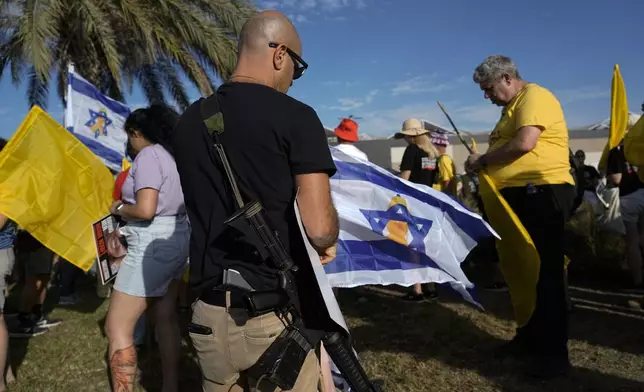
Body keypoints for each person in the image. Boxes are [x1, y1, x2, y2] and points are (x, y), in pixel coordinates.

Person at [171, 10, 339, 392]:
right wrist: (329, 240)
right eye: (297, 68)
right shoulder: (297, 117)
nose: (294, 79)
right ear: (280, 54)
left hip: (207, 317)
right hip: (273, 318)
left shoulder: (187, 122)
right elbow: (319, 229)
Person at [466, 55, 576, 378]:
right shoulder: (509, 112)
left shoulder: (535, 97)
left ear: (507, 78)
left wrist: (484, 160)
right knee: (522, 270)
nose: (486, 96)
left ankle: (555, 356)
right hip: (519, 196)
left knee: (547, 272)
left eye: (488, 88)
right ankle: (530, 337)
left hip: (543, 192)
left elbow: (525, 143)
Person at [104, 105, 190, 392]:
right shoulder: (174, 156)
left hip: (151, 243)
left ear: (137, 133)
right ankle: (170, 386)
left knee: (116, 326)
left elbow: (145, 209)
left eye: (130, 137)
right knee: (165, 316)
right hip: (177, 237)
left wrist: (119, 208)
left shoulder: (149, 156)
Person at [395, 118, 444, 301]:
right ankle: (431, 286)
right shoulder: (432, 153)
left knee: (414, 244)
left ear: (411, 137)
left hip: (413, 202)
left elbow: (405, 179)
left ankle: (417, 289)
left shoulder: (411, 150)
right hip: (430, 202)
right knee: (430, 244)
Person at [606, 143, 644, 291]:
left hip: (628, 198)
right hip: (642, 191)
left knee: (632, 242)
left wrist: (608, 176)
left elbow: (616, 179)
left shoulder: (617, 150)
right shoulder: (639, 144)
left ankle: (638, 281)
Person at [10, 232, 61, 338]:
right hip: (36, 240)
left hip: (48, 239)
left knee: (43, 278)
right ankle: (24, 322)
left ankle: (36, 315)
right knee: (33, 281)